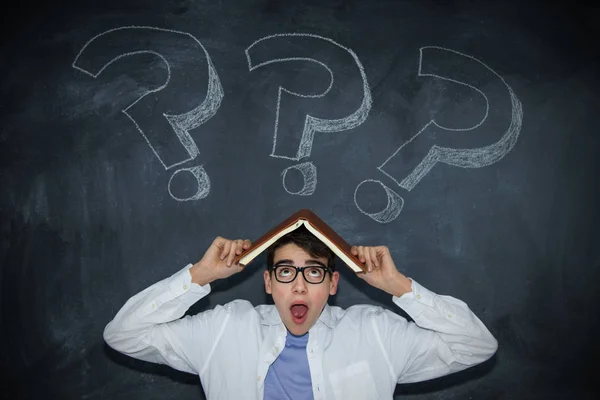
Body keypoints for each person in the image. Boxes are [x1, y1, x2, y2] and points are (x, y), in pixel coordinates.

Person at [103, 226, 498, 400]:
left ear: (332, 283)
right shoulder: (224, 327)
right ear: (269, 283)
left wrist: (400, 287)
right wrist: (200, 275)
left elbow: (477, 347)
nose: (299, 285)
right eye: (286, 271)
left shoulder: (376, 332)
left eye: (313, 271)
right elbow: (123, 335)